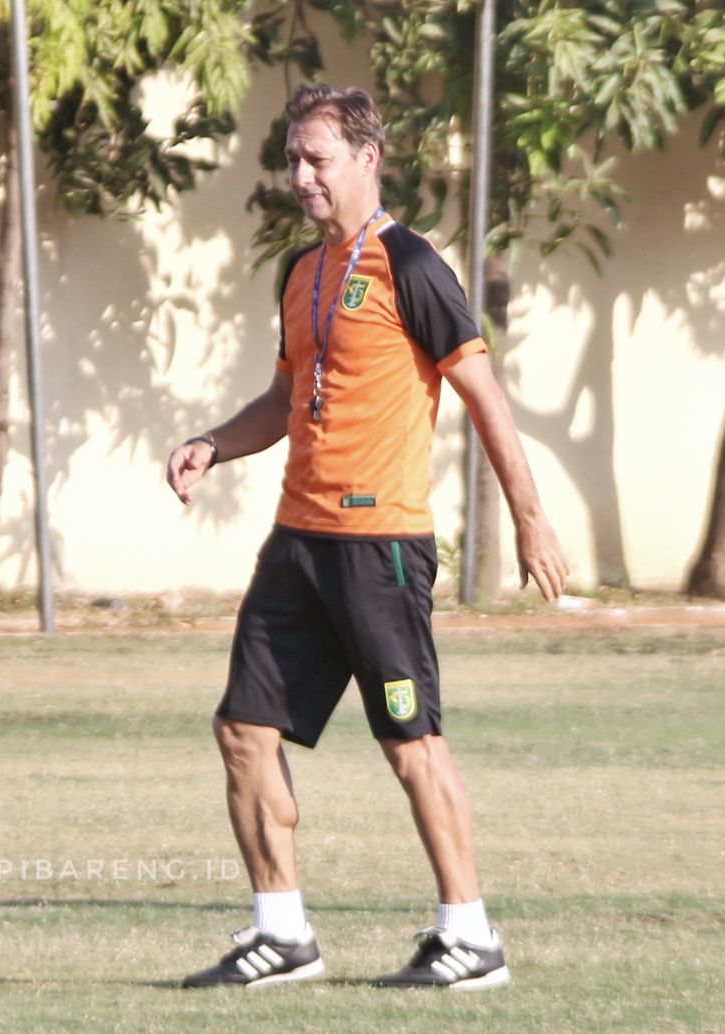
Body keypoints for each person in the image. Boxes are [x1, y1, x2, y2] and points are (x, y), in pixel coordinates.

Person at [167, 84, 568, 991]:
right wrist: (210, 444)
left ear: (366, 158)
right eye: (293, 158)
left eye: (317, 158)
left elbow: (486, 399)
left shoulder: (413, 265)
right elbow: (281, 401)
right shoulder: (303, 273)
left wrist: (529, 515)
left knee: (408, 741)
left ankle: (470, 937)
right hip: (296, 542)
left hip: (379, 545)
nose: (301, 174)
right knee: (242, 731)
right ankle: (283, 934)